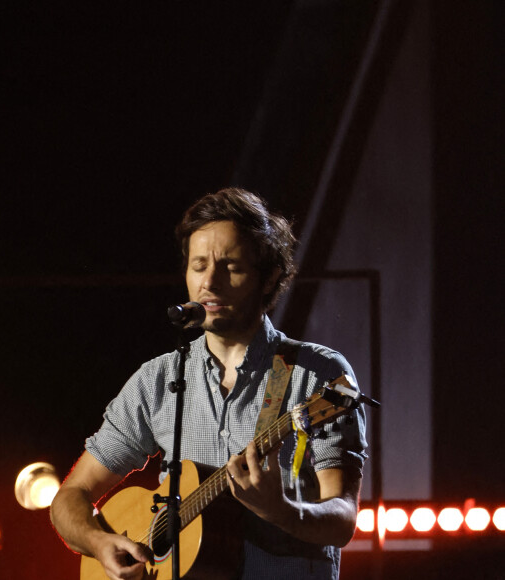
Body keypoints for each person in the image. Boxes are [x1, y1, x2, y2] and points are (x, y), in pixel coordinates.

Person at [50, 187, 368, 580]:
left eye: (230, 266)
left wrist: (283, 511)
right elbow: (70, 497)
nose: (210, 282)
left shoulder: (317, 374)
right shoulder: (158, 379)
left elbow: (342, 519)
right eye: (199, 266)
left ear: (268, 277)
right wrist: (99, 542)